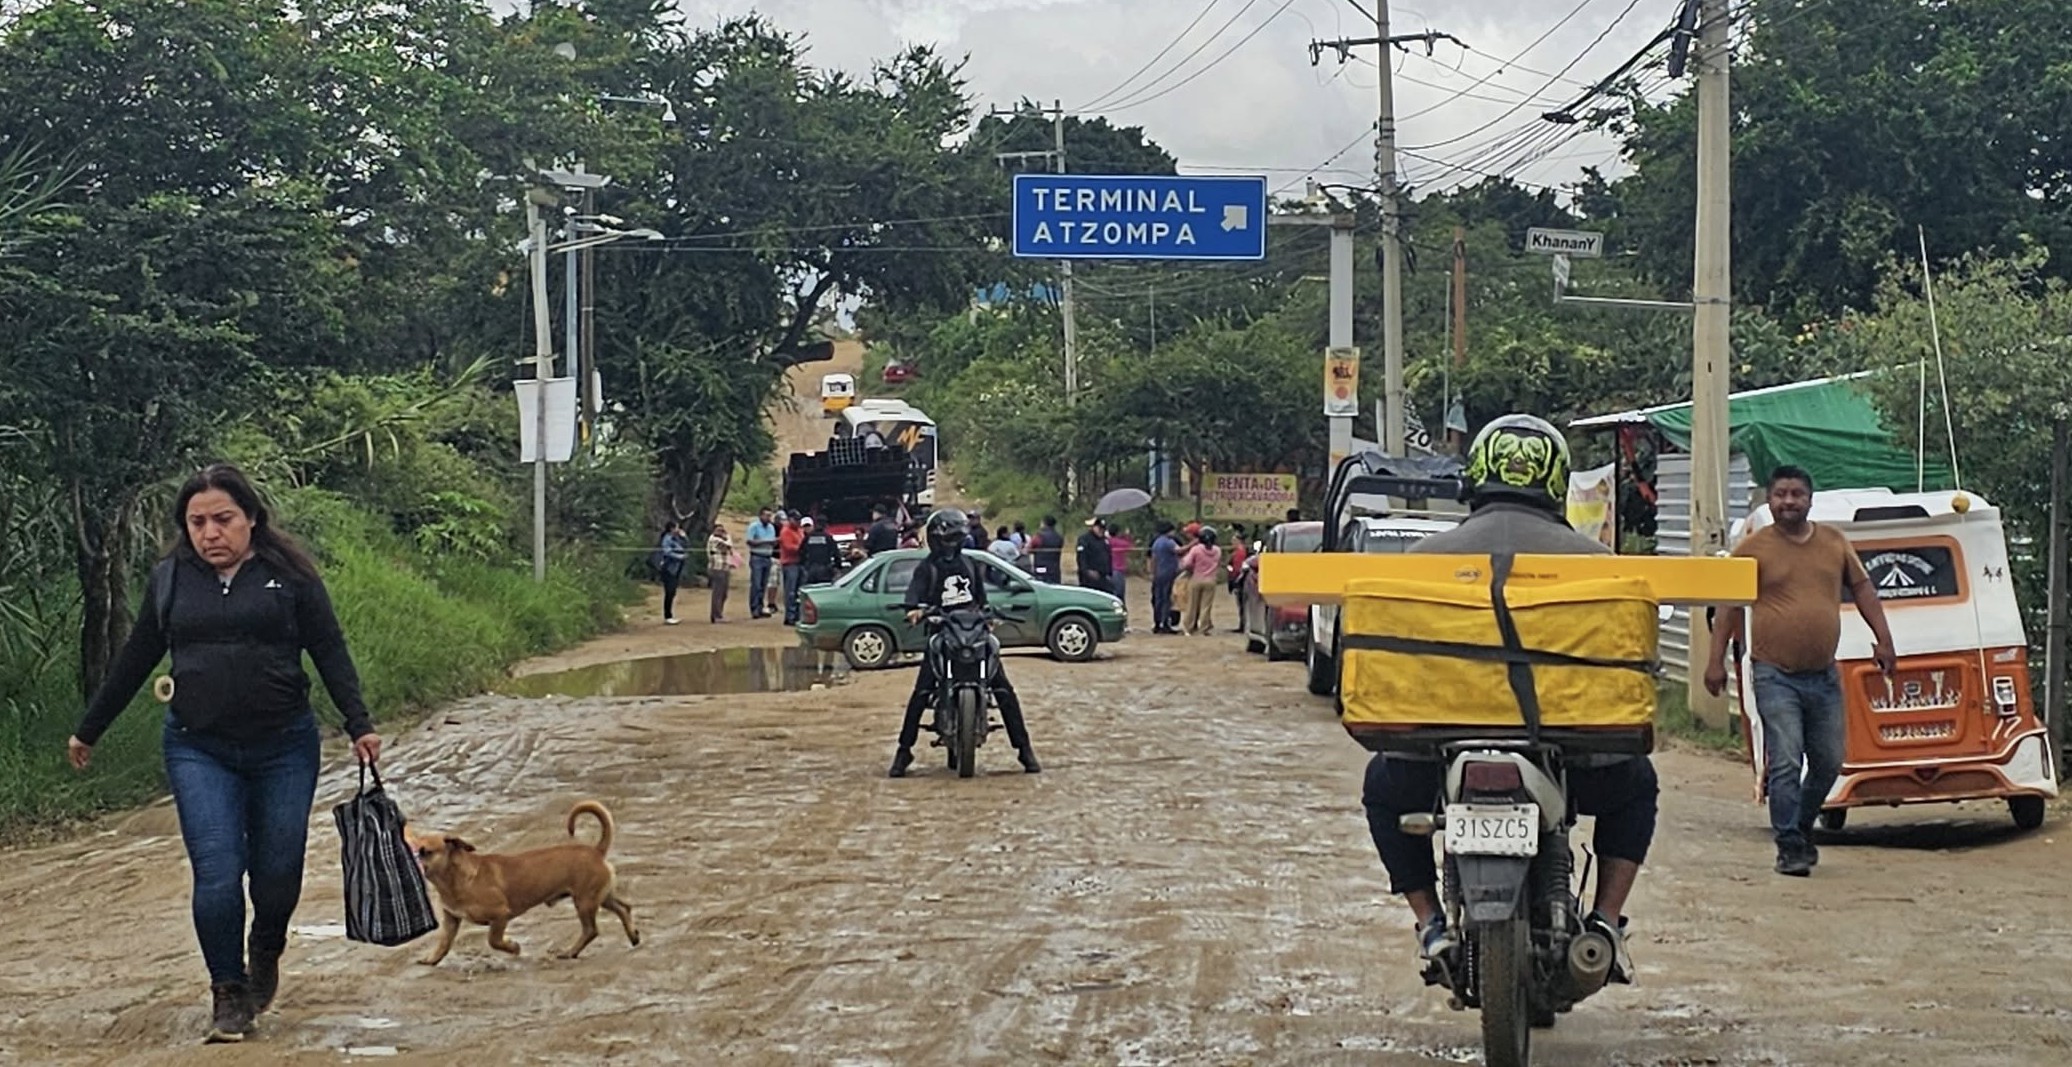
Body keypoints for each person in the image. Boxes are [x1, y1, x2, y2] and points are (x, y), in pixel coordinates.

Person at [67, 464, 382, 1043]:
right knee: (216, 872)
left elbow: (329, 648)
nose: (210, 533)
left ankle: (266, 949)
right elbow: (136, 656)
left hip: (284, 746)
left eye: (222, 519)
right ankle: (228, 992)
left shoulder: (290, 577)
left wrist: (358, 722)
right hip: (198, 747)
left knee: (278, 872)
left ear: (252, 519)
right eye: (197, 522)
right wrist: (90, 728)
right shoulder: (171, 579)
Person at [1360, 414, 1653, 984]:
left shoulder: (1423, 561)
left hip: (1445, 749)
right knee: (1636, 785)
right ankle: (1608, 922)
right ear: (1555, 479)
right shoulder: (1596, 564)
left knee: (1382, 789)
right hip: (1564, 750)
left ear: (1476, 475)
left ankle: (1430, 924)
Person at [1705, 465, 1897, 877]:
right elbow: (1727, 604)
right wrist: (1714, 660)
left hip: (1823, 675)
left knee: (1829, 762)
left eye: (1796, 494)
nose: (1788, 501)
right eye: (1780, 494)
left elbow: (1863, 588)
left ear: (1810, 499)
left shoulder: (1833, 542)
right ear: (1769, 501)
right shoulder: (1754, 548)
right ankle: (1789, 846)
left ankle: (1801, 826)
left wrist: (1883, 639)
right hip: (1775, 674)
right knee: (1787, 760)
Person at [889, 509, 1040, 778]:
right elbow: (913, 598)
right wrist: (915, 610)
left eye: (958, 539)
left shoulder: (970, 565)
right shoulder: (927, 568)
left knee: (1004, 689)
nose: (954, 544)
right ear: (938, 539)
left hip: (974, 633)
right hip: (942, 634)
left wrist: (989, 616)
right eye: (950, 539)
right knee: (921, 692)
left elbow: (982, 600)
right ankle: (904, 751)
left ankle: (1024, 749)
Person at [1177, 525, 1223, 635]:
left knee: (1192, 604)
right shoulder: (1217, 550)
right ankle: (1204, 628)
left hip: (1196, 578)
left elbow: (1186, 563)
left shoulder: (1196, 549)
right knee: (1206, 606)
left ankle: (1189, 627)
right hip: (1211, 580)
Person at [744, 508, 778, 619]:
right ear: (760, 516)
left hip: (767, 557)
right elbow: (750, 541)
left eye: (770, 516)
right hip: (757, 557)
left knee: (763, 585)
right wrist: (766, 542)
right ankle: (754, 608)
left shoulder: (771, 527)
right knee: (756, 584)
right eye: (766, 515)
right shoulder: (754, 526)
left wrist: (773, 543)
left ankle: (760, 607)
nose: (768, 518)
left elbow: (772, 542)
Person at [1149, 522, 1181, 635]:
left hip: (1158, 574)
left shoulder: (1157, 542)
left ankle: (1157, 623)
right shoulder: (1169, 542)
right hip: (1168, 573)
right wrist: (1193, 544)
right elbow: (1179, 550)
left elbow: (1153, 558)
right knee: (1166, 599)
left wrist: (1152, 573)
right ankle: (1165, 623)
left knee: (1158, 598)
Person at [657, 520, 688, 625]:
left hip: (676, 568)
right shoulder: (667, 538)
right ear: (671, 528)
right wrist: (680, 557)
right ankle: (667, 616)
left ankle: (670, 615)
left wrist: (684, 537)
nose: (678, 530)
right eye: (676, 528)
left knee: (673, 591)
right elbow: (667, 551)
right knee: (669, 591)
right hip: (668, 568)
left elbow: (686, 545)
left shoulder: (677, 538)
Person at [778, 512, 806, 625]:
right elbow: (789, 547)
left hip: (800, 563)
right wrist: (802, 548)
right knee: (790, 591)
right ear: (790, 519)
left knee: (799, 591)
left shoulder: (800, 530)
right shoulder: (785, 532)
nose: (798, 522)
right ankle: (790, 616)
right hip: (790, 563)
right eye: (796, 520)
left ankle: (798, 615)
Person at [706, 522, 735, 623]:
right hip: (717, 568)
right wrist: (727, 536)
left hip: (724, 567)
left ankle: (719, 614)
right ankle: (716, 615)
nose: (721, 532)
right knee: (718, 593)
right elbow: (728, 546)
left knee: (723, 593)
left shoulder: (721, 539)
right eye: (718, 530)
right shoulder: (714, 540)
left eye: (722, 530)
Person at [799, 517, 841, 586]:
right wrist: (837, 566)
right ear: (825, 525)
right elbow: (836, 553)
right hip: (825, 569)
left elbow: (801, 552)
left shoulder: (808, 537)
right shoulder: (828, 537)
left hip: (811, 569)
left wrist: (805, 565)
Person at [1076, 518, 1113, 593]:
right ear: (1094, 527)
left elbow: (1108, 556)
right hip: (1089, 578)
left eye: (1103, 529)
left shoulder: (1104, 540)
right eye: (1099, 528)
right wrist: (1087, 571)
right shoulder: (1084, 539)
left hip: (1103, 576)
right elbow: (1081, 558)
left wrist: (1109, 572)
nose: (1101, 531)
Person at [1029, 516, 1065, 583]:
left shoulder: (1039, 536)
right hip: (1055, 569)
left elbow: (1030, 548)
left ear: (1044, 523)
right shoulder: (1059, 537)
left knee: (1040, 583)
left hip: (1040, 567)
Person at [1107, 523, 1135, 606]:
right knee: (1119, 593)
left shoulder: (1106, 541)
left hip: (1107, 569)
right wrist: (1127, 535)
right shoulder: (1120, 543)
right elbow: (1131, 547)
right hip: (1118, 570)